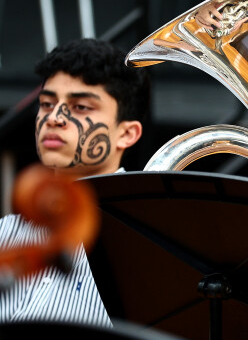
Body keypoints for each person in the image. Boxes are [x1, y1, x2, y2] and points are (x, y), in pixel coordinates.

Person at [0, 38, 150, 326]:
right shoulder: (5, 233)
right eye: (46, 104)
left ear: (126, 134)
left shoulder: (145, 243)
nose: (54, 118)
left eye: (80, 107)